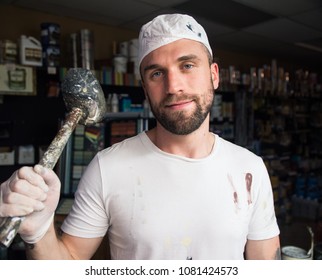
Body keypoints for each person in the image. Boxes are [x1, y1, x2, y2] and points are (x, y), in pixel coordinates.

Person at [0, 14, 280, 260]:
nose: (174, 86)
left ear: (214, 75)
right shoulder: (108, 167)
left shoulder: (250, 169)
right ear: (145, 89)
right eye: (157, 73)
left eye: (187, 65)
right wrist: (39, 231)